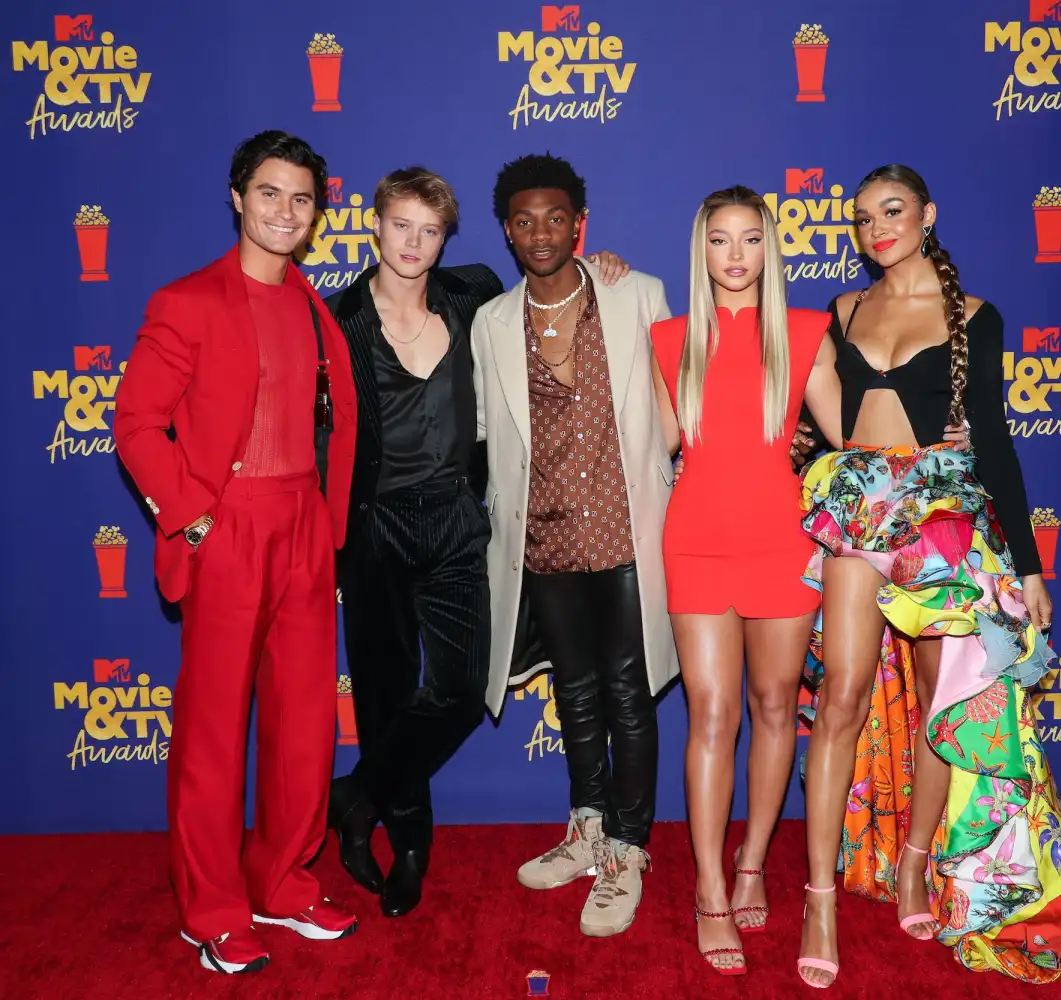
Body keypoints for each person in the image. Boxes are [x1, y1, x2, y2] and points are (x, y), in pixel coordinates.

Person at [794, 164, 1061, 989]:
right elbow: (810, 414)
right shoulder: (842, 311)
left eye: (892, 211)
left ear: (927, 214)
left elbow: (993, 439)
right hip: (859, 506)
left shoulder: (973, 316)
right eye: (862, 219)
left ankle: (916, 866)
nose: (877, 229)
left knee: (942, 702)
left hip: (942, 516)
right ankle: (818, 900)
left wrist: (1028, 566)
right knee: (842, 692)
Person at [323, 166, 631, 918]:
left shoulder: (474, 295)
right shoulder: (336, 320)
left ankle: (355, 795)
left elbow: (554, 286)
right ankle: (410, 850)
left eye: (429, 231)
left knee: (461, 691)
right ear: (376, 225)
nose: (414, 243)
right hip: (374, 528)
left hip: (458, 523)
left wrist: (602, 268)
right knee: (387, 696)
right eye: (402, 226)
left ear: (446, 239)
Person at [113, 130, 359, 974]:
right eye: (269, 193)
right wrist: (193, 520)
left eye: (301, 198)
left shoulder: (315, 306)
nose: (285, 211)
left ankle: (281, 882)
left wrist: (325, 526)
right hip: (228, 525)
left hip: (304, 526)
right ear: (237, 197)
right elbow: (135, 423)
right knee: (214, 733)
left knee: (303, 726)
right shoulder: (187, 301)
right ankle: (211, 910)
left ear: (316, 213)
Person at [470, 153, 674, 938]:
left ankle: (627, 850)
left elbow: (679, 401)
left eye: (555, 217)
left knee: (629, 692)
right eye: (524, 221)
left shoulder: (636, 293)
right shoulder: (492, 322)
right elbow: (485, 431)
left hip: (626, 531)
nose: (541, 233)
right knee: (576, 691)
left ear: (578, 224)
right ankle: (587, 830)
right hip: (545, 537)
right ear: (508, 231)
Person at [649, 187, 840, 975]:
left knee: (774, 705)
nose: (735, 255)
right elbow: (655, 444)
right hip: (696, 542)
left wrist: (940, 431)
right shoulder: (669, 338)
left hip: (780, 543)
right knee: (711, 712)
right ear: (701, 249)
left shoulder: (806, 333)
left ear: (770, 249)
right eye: (720, 239)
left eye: (750, 239)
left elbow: (853, 440)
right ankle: (709, 888)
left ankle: (753, 860)